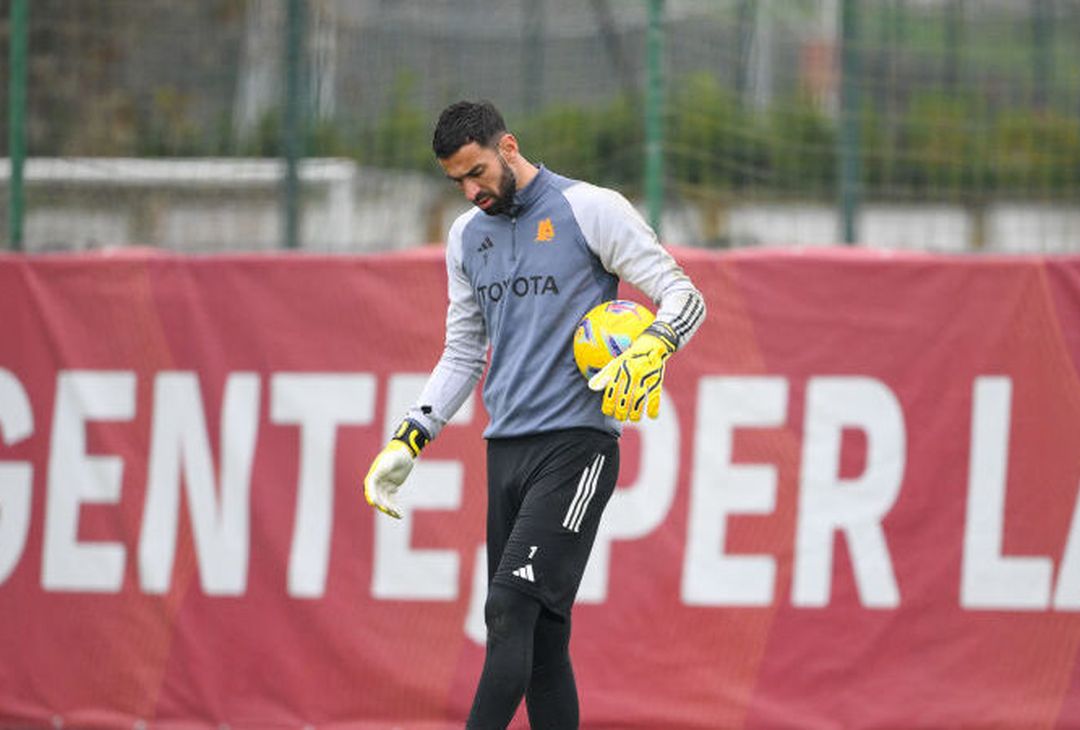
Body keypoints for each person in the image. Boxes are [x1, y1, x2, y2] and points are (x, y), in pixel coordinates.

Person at [363, 100, 705, 729]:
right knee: (543, 643)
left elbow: (684, 295)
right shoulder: (466, 237)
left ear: (509, 146)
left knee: (506, 610)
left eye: (477, 172)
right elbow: (465, 351)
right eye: (456, 182)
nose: (470, 191)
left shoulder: (591, 209)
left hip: (576, 448)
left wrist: (656, 343)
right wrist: (409, 436)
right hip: (506, 453)